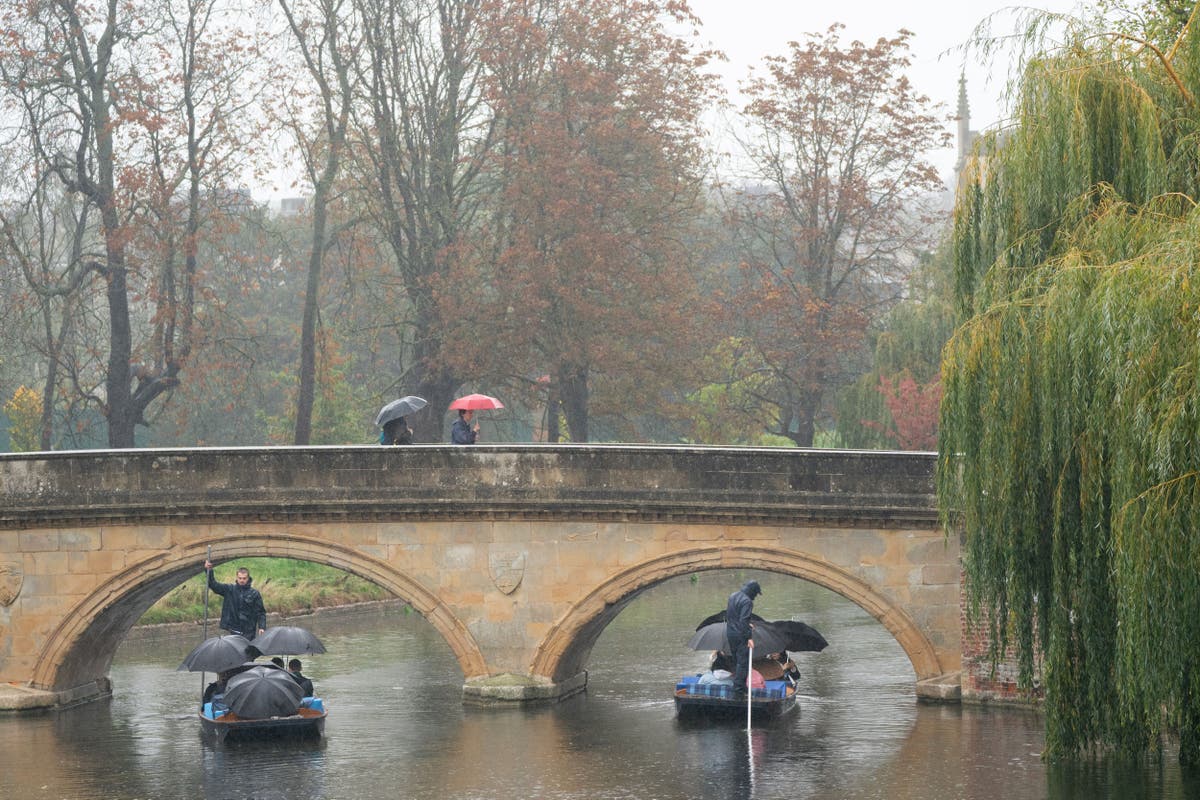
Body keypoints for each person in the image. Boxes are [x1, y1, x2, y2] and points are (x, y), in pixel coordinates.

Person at [205, 559, 267, 640]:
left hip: (248, 631)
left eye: (244, 578)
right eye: (240, 578)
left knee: (247, 651)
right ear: (237, 577)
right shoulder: (229, 589)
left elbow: (261, 612)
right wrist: (209, 571)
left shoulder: (254, 593)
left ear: (248, 578)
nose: (242, 580)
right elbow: (213, 585)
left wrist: (262, 627)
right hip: (232, 629)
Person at [725, 579, 762, 694]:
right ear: (752, 592)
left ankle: (740, 686)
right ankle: (738, 690)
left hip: (730, 632)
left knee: (737, 661)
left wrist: (745, 624)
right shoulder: (747, 601)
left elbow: (731, 616)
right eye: (755, 594)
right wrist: (749, 638)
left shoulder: (733, 596)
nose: (755, 597)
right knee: (743, 663)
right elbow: (744, 620)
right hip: (741, 635)